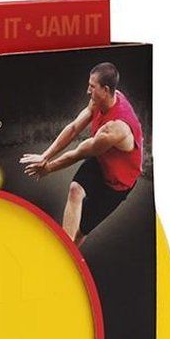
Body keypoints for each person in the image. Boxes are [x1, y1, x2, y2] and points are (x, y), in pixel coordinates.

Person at [20, 62, 143, 245]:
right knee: (75, 189)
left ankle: (69, 255)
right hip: (102, 161)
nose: (88, 91)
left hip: (117, 184)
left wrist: (48, 168)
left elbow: (78, 153)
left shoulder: (115, 129)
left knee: (80, 232)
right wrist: (45, 156)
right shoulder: (100, 100)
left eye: (92, 87)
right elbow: (74, 128)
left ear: (105, 90)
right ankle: (63, 250)